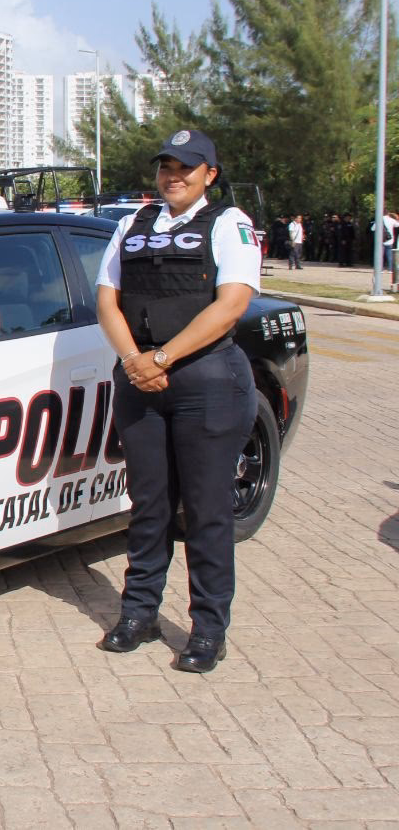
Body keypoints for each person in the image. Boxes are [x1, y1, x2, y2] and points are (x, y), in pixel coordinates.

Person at [94, 129, 261, 673]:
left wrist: (161, 359)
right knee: (149, 506)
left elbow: (231, 305)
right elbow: (107, 301)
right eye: (166, 167)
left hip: (206, 380)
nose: (174, 176)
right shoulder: (131, 224)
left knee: (206, 511)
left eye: (186, 168)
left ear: (209, 175)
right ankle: (138, 614)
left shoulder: (229, 224)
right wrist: (134, 361)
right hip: (139, 379)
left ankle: (208, 629)